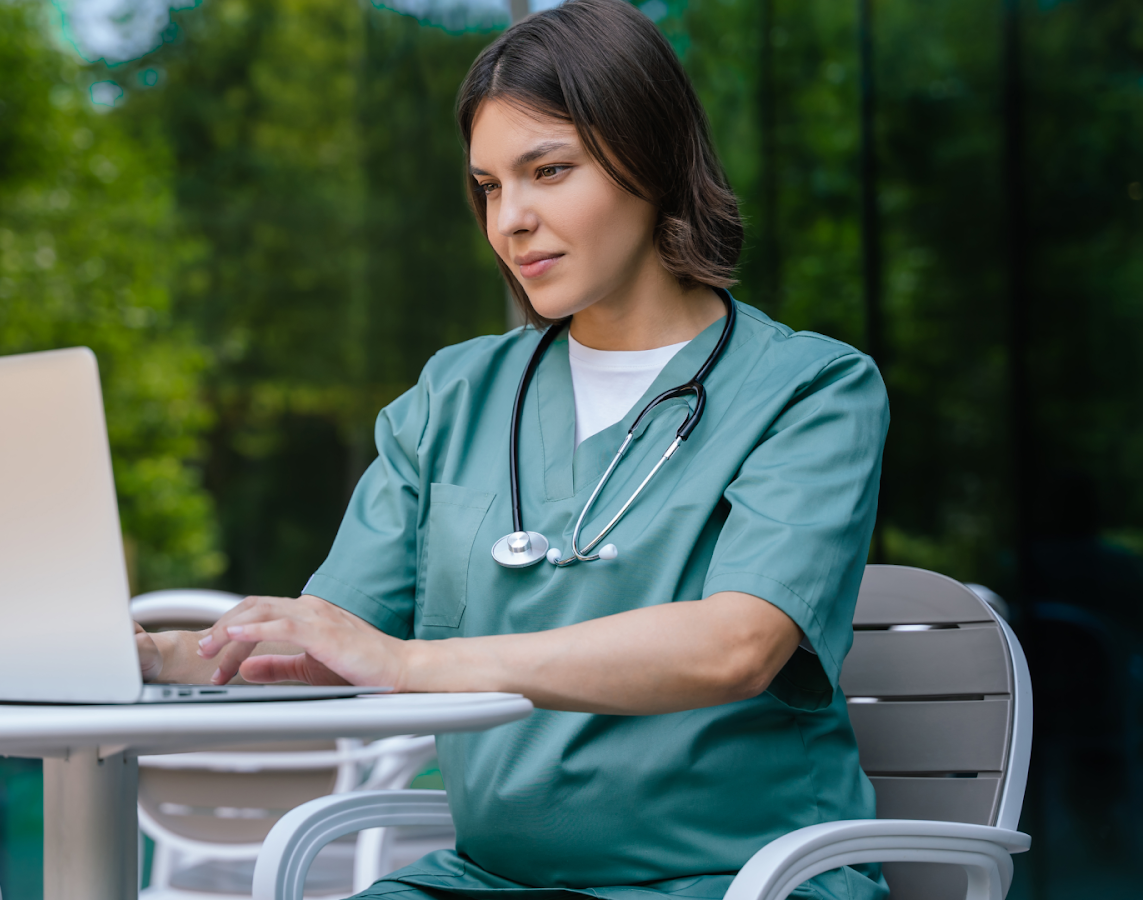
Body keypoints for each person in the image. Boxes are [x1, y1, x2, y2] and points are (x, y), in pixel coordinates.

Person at [136, 1, 890, 897]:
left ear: (649, 159)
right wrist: (155, 656)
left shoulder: (810, 390)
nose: (511, 220)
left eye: (548, 171)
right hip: (490, 880)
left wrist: (412, 665)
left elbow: (736, 647)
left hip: (739, 879)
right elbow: (336, 645)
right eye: (491, 186)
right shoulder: (454, 398)